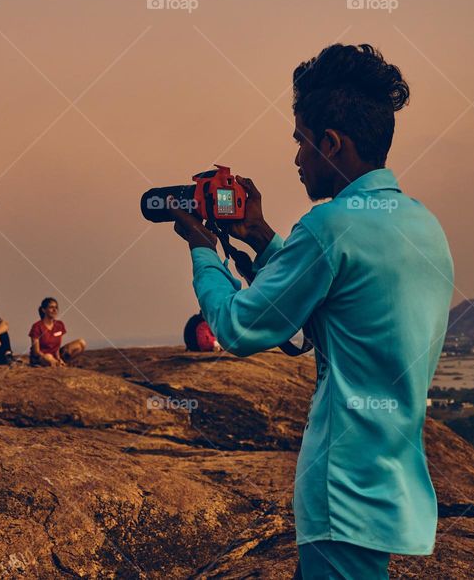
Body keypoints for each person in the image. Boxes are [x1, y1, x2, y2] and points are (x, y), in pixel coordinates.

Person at [168, 44, 454, 579]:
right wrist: (260, 236)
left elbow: (238, 326)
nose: (296, 159)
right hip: (391, 479)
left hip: (340, 487)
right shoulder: (422, 226)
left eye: (301, 143)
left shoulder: (330, 227)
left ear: (330, 143)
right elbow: (338, 303)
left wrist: (203, 249)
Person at [28, 297, 86, 367]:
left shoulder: (59, 325)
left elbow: (57, 346)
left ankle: (63, 363)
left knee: (81, 343)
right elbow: (36, 352)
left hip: (54, 355)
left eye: (56, 307)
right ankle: (56, 364)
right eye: (51, 307)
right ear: (44, 310)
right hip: (42, 357)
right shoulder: (37, 326)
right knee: (48, 357)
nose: (54, 310)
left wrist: (58, 358)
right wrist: (49, 358)